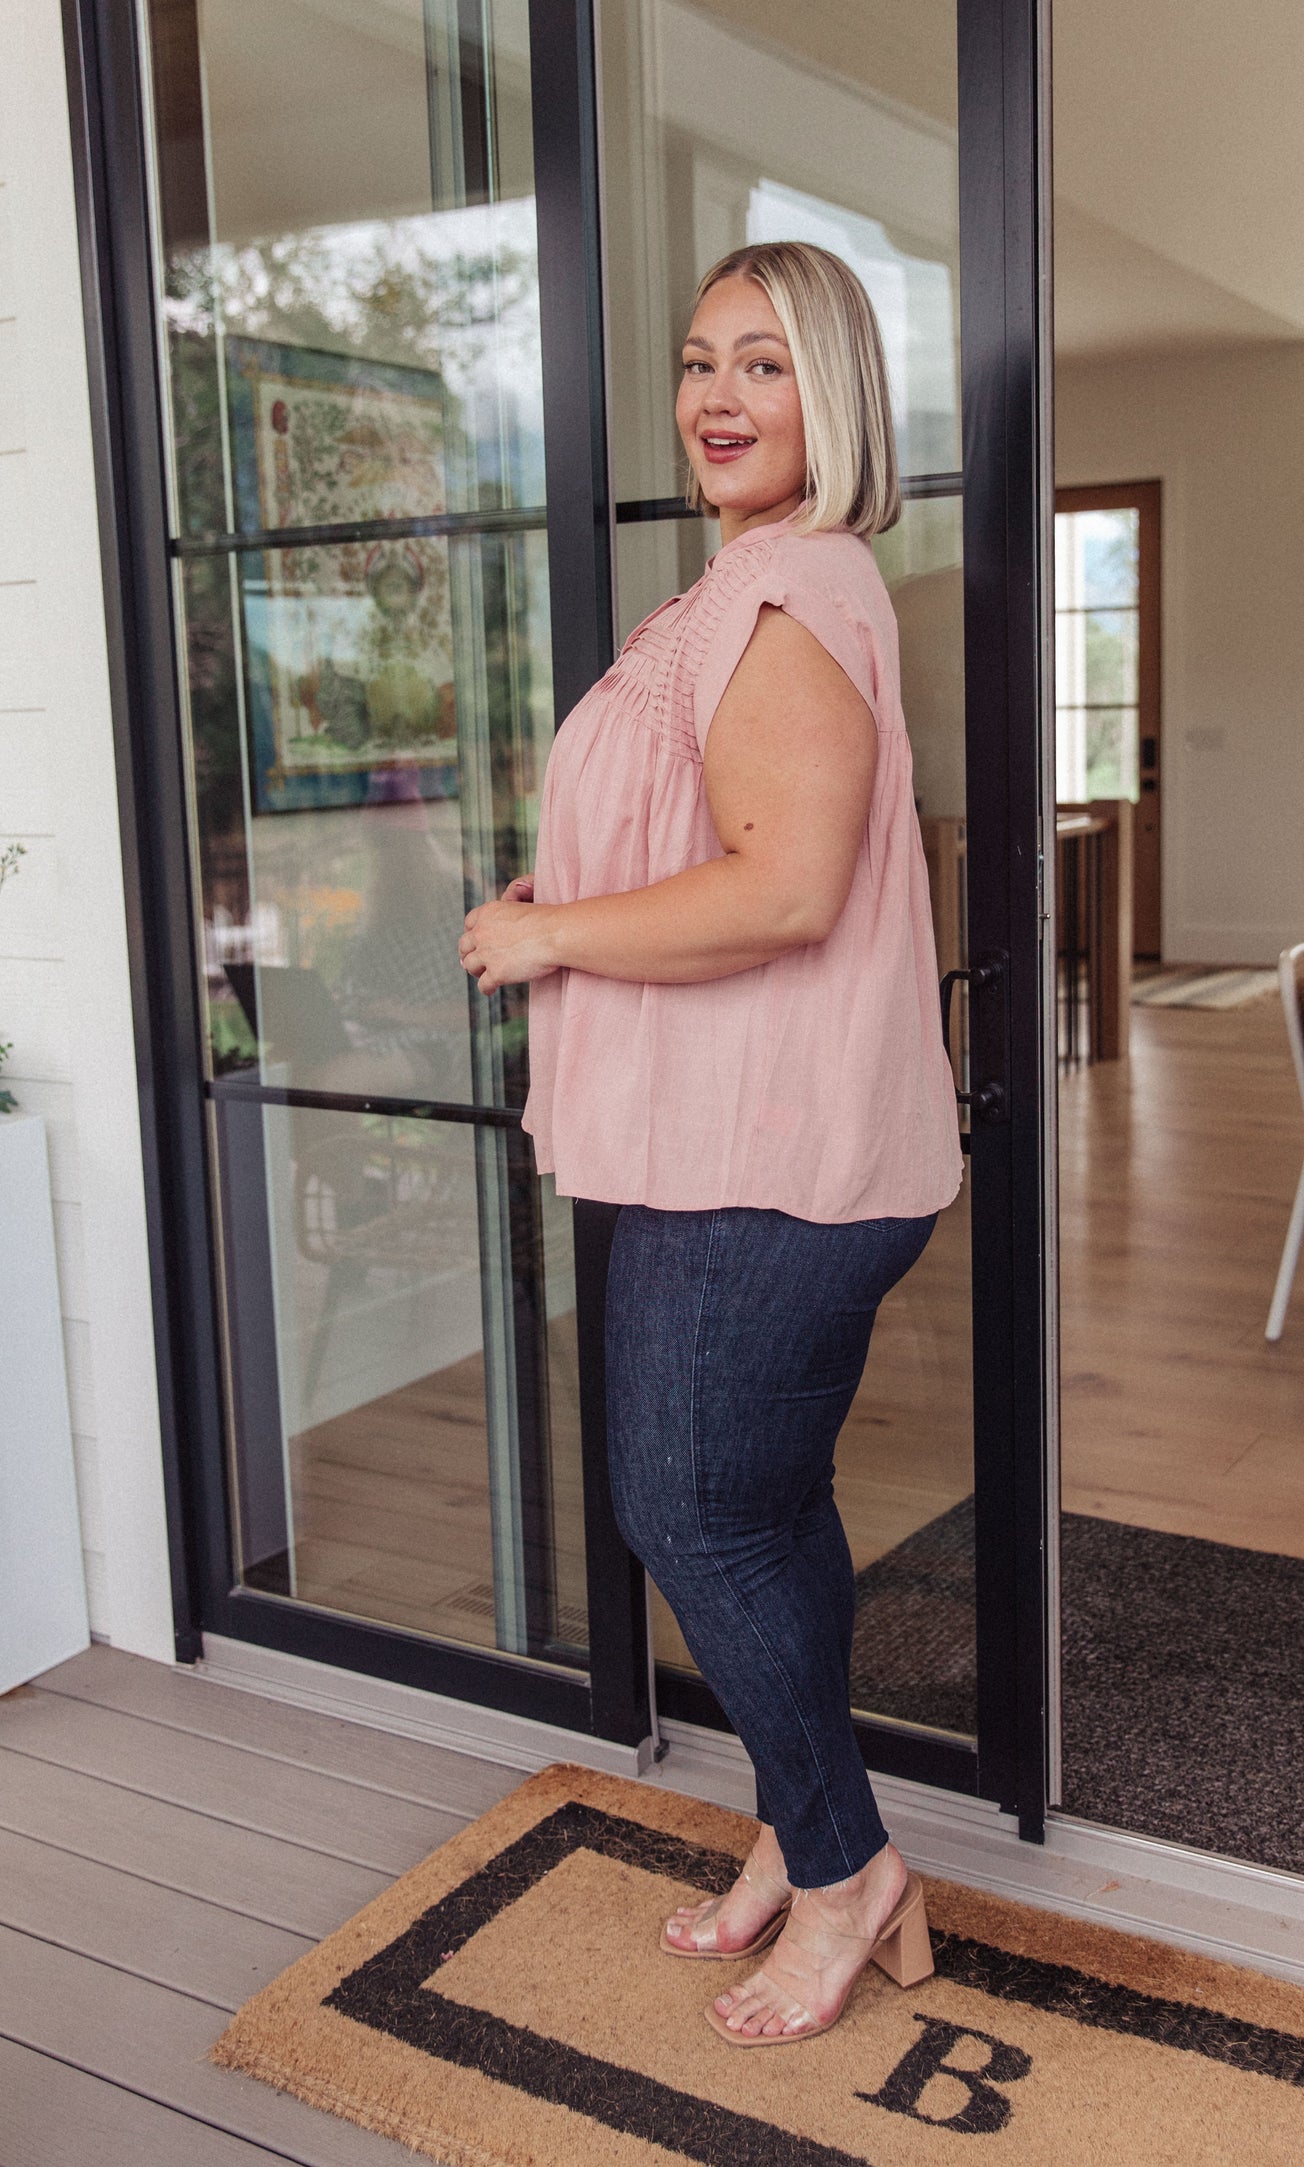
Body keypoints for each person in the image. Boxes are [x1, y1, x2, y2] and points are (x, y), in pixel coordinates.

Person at [459, 240, 961, 2045]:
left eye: (764, 362)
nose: (716, 397)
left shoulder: (789, 586)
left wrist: (547, 937)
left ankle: (844, 1875)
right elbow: (715, 836)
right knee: (763, 1505)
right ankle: (795, 1829)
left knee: (689, 1509)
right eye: (696, 363)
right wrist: (575, 894)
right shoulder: (746, 587)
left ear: (835, 398)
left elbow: (786, 886)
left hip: (754, 1155)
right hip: (739, 1136)